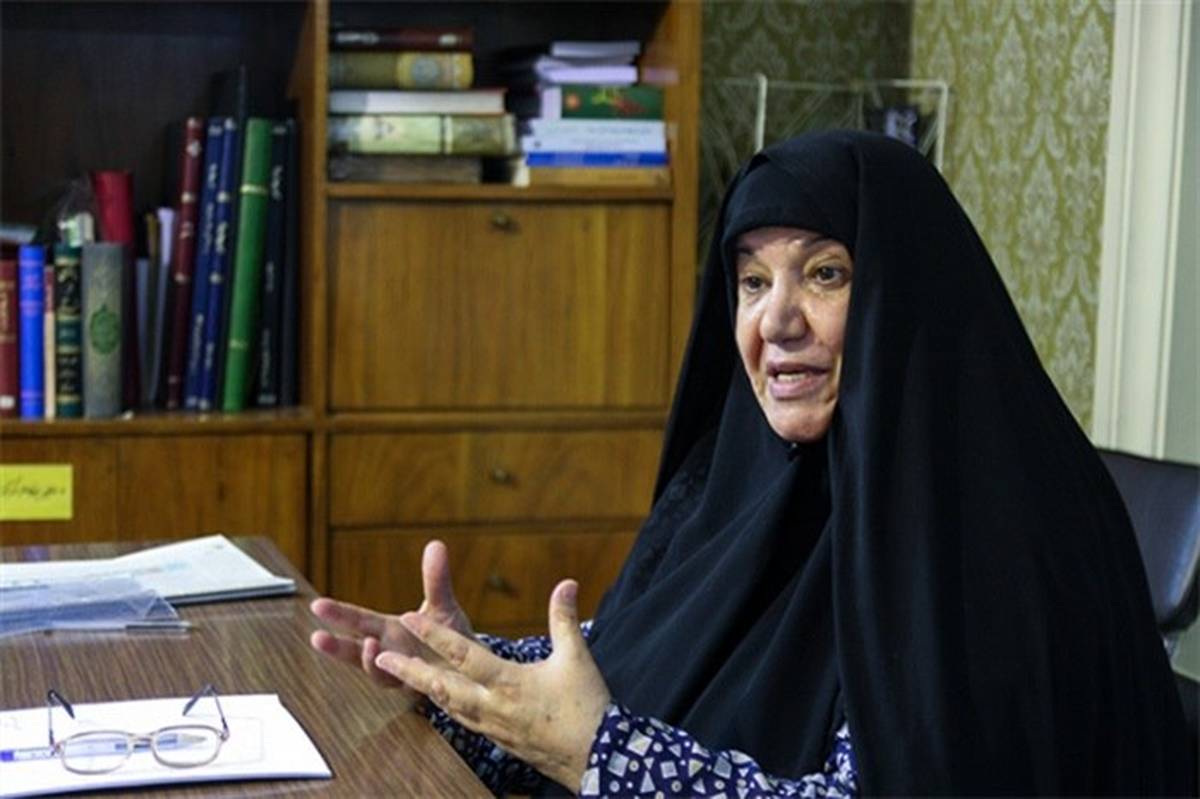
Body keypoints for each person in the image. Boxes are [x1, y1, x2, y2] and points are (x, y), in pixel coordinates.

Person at [310, 131, 1192, 796]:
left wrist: (600, 754)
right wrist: (462, 669)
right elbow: (640, 662)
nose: (777, 320)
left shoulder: (991, 538)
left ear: (905, 297)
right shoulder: (752, 481)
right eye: (752, 280)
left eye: (826, 273)